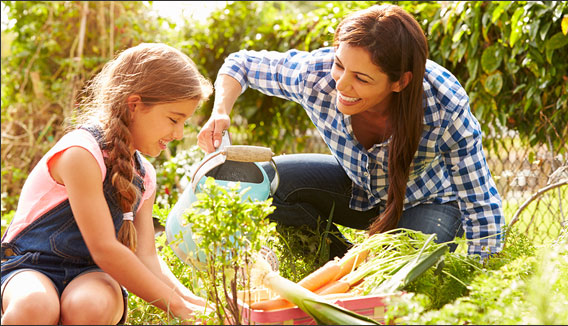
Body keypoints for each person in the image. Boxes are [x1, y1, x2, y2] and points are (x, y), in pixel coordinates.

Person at [197, 4, 504, 261]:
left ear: (400, 82)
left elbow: (479, 201)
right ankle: (338, 263)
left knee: (403, 272)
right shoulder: (314, 76)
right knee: (263, 183)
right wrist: (220, 110)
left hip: (428, 200)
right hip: (359, 189)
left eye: (361, 78)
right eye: (339, 65)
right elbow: (240, 65)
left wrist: (485, 278)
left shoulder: (443, 104)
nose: (341, 85)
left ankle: (375, 270)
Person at [1, 43, 213, 325]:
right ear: (134, 104)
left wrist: (197, 305)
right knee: (35, 305)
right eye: (174, 119)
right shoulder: (81, 153)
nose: (179, 133)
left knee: (91, 306)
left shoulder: (144, 175)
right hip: (30, 266)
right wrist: (179, 308)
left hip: (93, 273)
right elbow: (104, 247)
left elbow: (146, 257)